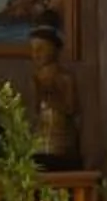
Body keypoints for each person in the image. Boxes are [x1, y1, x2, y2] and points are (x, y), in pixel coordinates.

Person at [27, 24, 80, 165]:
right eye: (33, 50)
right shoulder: (35, 79)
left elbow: (71, 109)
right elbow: (35, 111)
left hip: (62, 145)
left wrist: (51, 97)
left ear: (54, 49)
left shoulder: (65, 78)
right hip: (40, 145)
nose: (36, 54)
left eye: (41, 48)